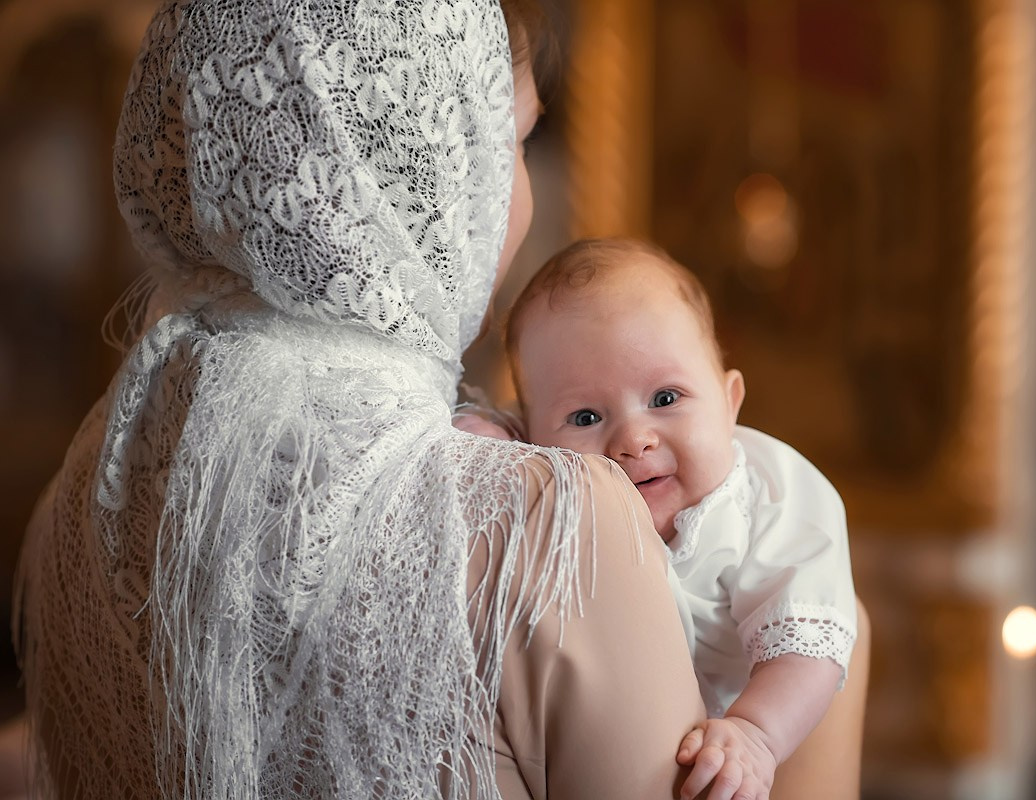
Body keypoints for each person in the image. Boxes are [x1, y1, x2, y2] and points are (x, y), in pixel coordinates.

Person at [13, 2, 868, 799]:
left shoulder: (90, 486)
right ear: (411, 162)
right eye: (513, 146)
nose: (522, 199)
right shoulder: (557, 520)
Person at [460, 237, 858, 799]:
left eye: (666, 398)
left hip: (737, 733)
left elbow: (810, 646)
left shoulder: (774, 495)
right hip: (601, 731)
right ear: (533, 430)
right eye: (585, 415)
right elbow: (494, 435)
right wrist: (489, 439)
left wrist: (757, 734)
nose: (634, 439)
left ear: (729, 401)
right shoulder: (556, 484)